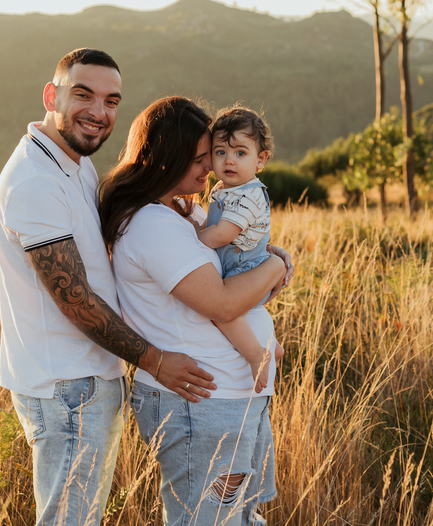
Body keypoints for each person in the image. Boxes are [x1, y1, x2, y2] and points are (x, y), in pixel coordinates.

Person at [0, 49, 216, 526]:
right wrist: (155, 360)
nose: (99, 112)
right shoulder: (35, 182)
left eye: (112, 101)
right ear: (52, 96)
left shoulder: (72, 161)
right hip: (68, 386)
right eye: (83, 95)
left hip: (83, 379)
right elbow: (75, 299)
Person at [101, 97, 293, 526]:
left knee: (238, 517)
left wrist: (265, 267)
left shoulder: (185, 209)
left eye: (216, 155)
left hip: (228, 401)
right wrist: (277, 264)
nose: (211, 167)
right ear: (165, 159)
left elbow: (236, 279)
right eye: (201, 158)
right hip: (201, 405)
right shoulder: (153, 223)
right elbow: (223, 302)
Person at [195, 107, 283, 392]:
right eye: (220, 152)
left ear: (261, 160)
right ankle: (274, 344)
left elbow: (222, 234)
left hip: (247, 269)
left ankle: (256, 353)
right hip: (234, 265)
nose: (229, 160)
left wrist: (191, 237)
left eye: (240, 153)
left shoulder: (250, 195)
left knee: (221, 311)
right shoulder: (225, 188)